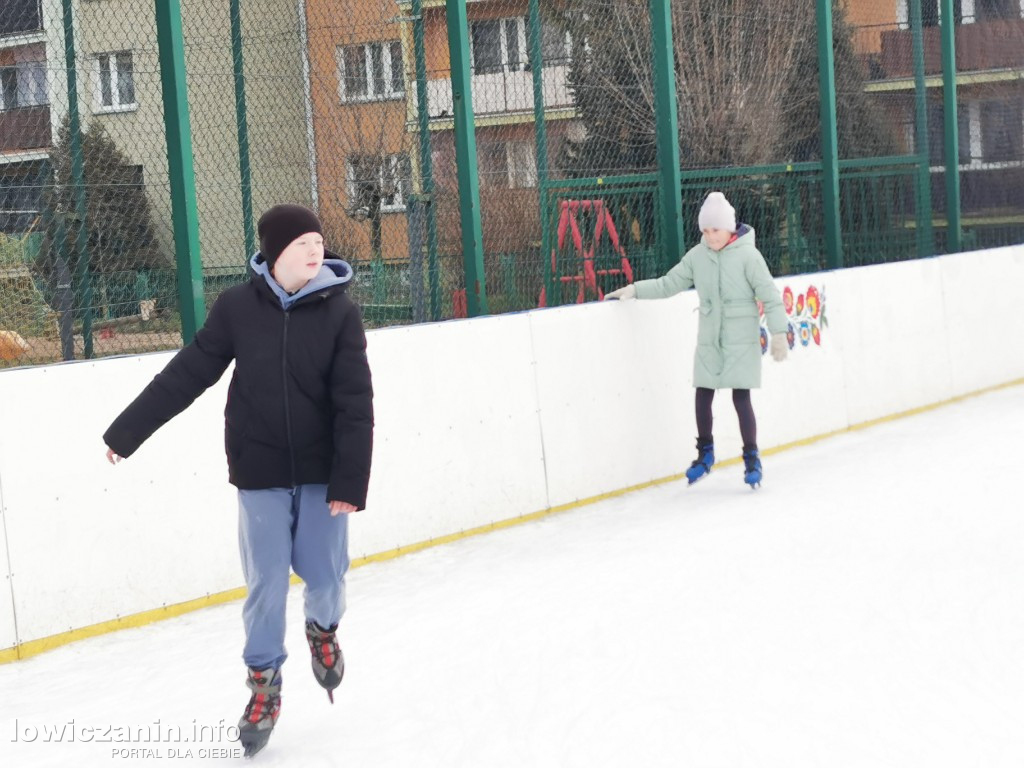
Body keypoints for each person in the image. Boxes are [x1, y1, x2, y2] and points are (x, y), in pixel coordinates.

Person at [103, 204, 373, 757]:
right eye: (302, 242)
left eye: (319, 241)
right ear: (275, 253)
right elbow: (187, 374)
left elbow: (355, 404)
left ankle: (323, 630)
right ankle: (264, 685)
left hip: (325, 477)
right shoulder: (236, 310)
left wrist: (351, 480)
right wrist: (125, 433)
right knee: (266, 583)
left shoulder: (340, 313)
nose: (314, 249)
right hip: (259, 471)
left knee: (325, 576)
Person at [605, 191, 787, 488]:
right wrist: (634, 289)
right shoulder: (697, 256)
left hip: (741, 339)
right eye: (705, 230)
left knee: (741, 397)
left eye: (714, 229)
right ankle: (705, 454)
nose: (710, 236)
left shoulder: (749, 256)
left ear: (728, 227)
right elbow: (668, 283)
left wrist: (779, 333)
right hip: (709, 339)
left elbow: (769, 294)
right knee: (703, 394)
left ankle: (751, 457)